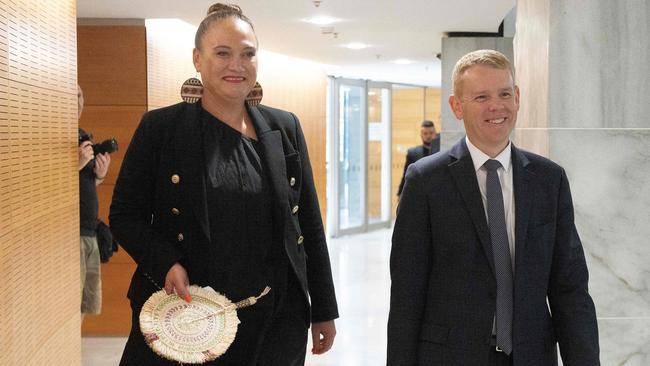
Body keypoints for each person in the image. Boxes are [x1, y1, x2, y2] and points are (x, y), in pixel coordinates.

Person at [109, 3, 338, 365]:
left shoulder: (284, 128)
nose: (237, 65)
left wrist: (323, 307)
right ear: (198, 59)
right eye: (222, 53)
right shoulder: (161, 129)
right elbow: (124, 214)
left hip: (275, 320)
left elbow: (307, 222)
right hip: (188, 319)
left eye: (248, 54)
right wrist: (166, 261)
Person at [387, 50, 599, 366]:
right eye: (481, 97)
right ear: (457, 107)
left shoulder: (548, 179)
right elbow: (407, 294)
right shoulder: (426, 181)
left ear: (517, 97)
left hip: (531, 356)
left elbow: (570, 289)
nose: (496, 106)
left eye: (503, 94)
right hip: (450, 356)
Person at [78, 85, 111, 320]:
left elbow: (83, 185)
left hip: (89, 231)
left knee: (86, 302)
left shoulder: (81, 135)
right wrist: (76, 166)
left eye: (79, 95)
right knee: (72, 302)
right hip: (72, 234)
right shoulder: (50, 136)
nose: (77, 101)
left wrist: (99, 175)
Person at [396, 120, 439, 198]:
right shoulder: (413, 153)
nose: (428, 136)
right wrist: (400, 193)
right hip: (419, 192)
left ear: (435, 134)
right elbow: (407, 174)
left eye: (431, 133)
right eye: (425, 133)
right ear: (421, 135)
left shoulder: (441, 152)